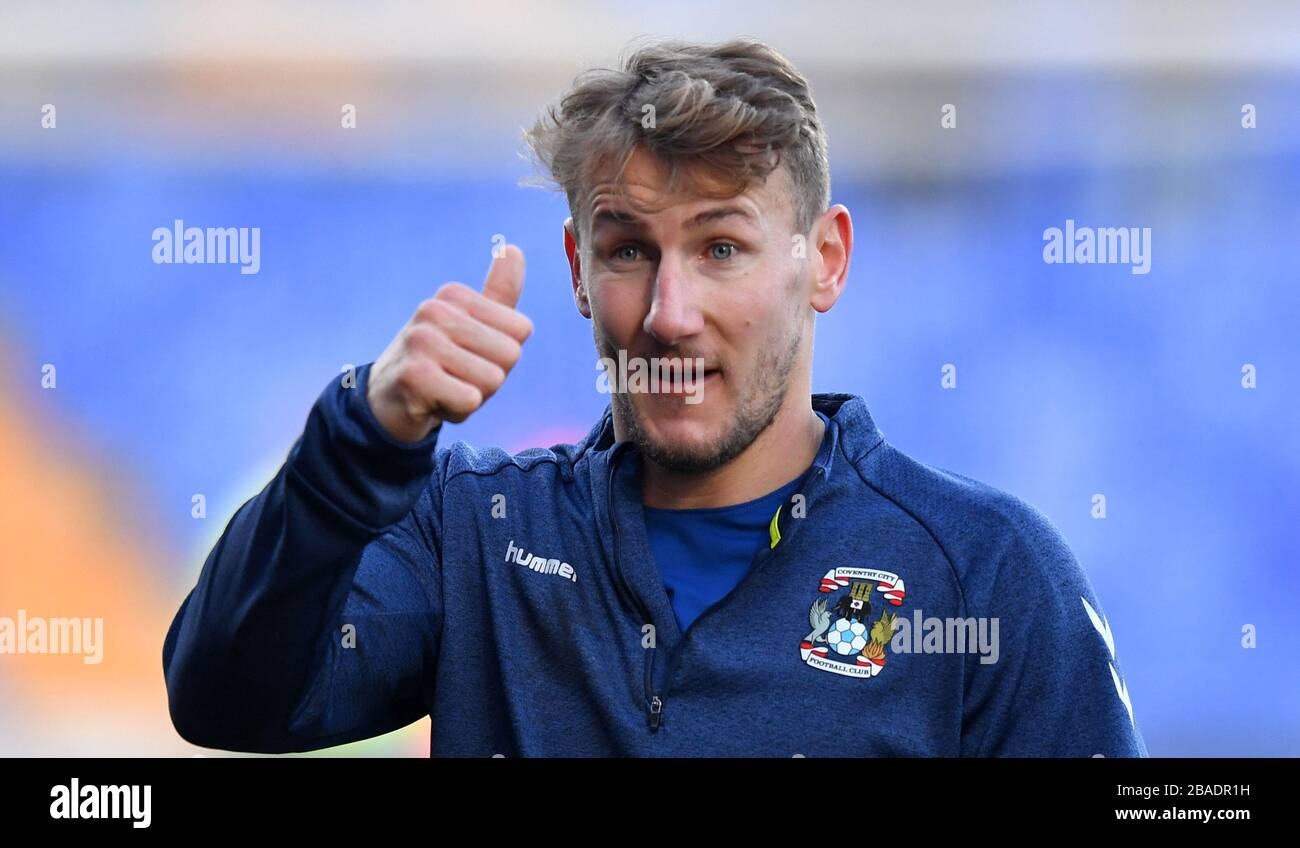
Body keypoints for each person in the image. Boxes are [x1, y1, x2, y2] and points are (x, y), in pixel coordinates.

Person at [163, 37, 1147, 756]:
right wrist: (363, 438)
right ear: (579, 269)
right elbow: (225, 697)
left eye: (721, 246)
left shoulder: (986, 573)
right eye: (629, 248)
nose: (670, 312)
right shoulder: (469, 534)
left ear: (825, 260)